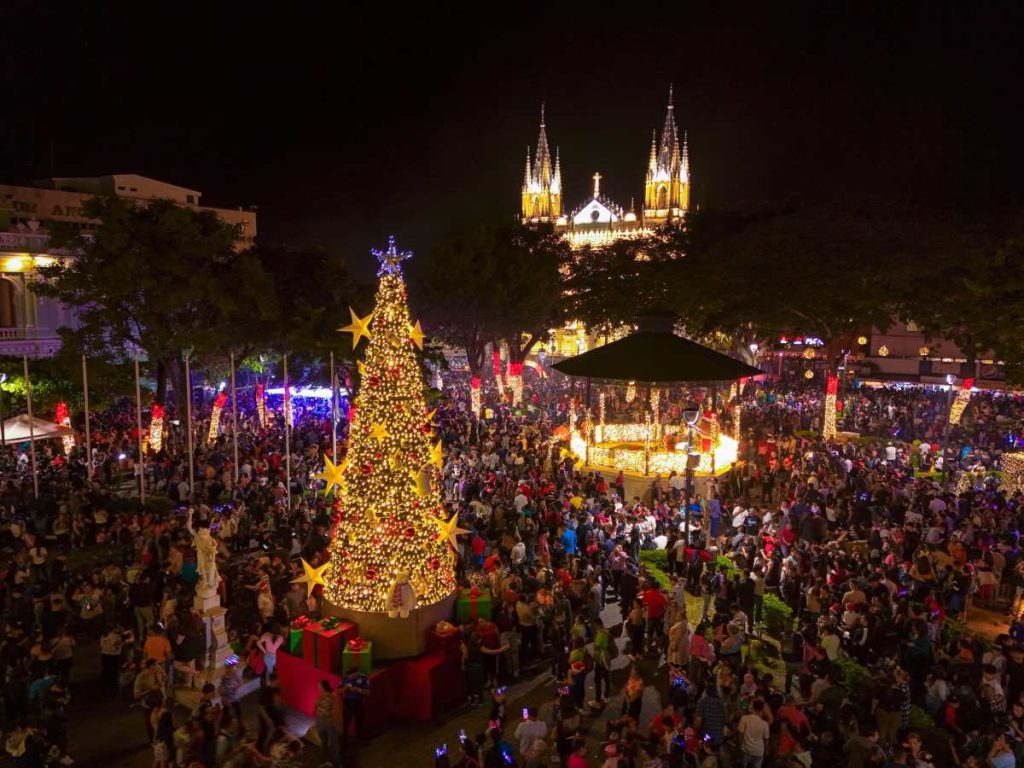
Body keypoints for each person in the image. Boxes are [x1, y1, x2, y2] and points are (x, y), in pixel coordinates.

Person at [341, 664, 371, 745]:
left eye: (351, 674)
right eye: (348, 674)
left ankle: (359, 740)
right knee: (346, 722)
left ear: (356, 673)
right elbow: (339, 690)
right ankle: (344, 740)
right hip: (348, 703)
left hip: (358, 703)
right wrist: (345, 688)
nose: (349, 676)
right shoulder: (344, 678)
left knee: (359, 721)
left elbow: (368, 692)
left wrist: (358, 690)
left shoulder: (363, 678)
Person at [737, 699, 770, 768]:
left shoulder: (745, 718)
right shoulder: (765, 724)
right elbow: (766, 740)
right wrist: (766, 750)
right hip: (759, 751)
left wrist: (740, 745)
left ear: (753, 708)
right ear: (762, 710)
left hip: (746, 749)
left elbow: (740, 734)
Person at [315, 679, 340, 766]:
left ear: (323, 687)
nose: (318, 687)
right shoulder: (320, 696)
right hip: (321, 722)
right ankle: (324, 760)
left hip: (329, 722)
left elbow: (335, 712)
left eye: (319, 686)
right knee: (324, 742)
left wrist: (325, 713)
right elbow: (316, 706)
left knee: (332, 743)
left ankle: (335, 761)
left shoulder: (332, 697)